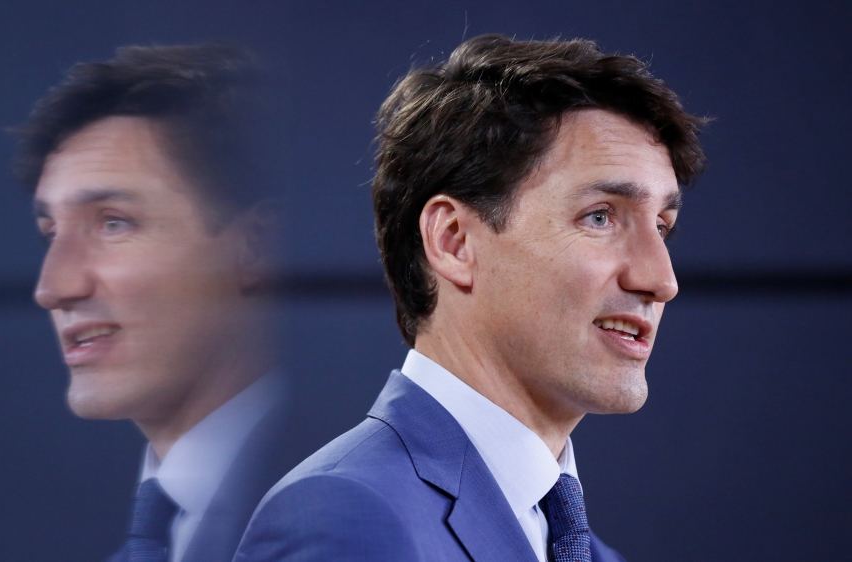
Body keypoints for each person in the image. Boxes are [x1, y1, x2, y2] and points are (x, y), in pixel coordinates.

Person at [234, 34, 707, 562]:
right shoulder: (344, 518)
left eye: (663, 227)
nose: (661, 280)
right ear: (454, 241)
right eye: (600, 216)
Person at [15, 44, 292, 562]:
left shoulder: (361, 507)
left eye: (113, 222)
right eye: (50, 232)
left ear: (254, 244)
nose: (52, 288)